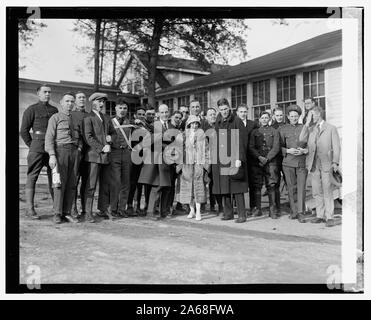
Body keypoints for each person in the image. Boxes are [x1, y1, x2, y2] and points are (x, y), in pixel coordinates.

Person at [20, 84, 58, 219]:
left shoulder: (55, 110)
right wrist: (33, 145)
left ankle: (57, 209)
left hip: (52, 149)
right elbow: (23, 131)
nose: (47, 94)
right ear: (38, 93)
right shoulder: (31, 110)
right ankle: (29, 209)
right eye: (45, 92)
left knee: (54, 177)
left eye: (49, 92)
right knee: (32, 177)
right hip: (37, 148)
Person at [299, 106, 341, 227]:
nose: (309, 118)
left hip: (327, 163)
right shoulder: (311, 129)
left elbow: (337, 147)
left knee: (327, 189)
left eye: (310, 115)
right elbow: (301, 140)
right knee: (316, 191)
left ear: (317, 115)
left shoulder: (331, 128)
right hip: (313, 164)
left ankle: (329, 217)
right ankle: (320, 215)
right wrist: (306, 124)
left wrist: (335, 162)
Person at [45, 92, 82, 224]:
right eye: (67, 101)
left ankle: (67, 212)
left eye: (72, 101)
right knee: (59, 183)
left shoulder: (77, 119)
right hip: (60, 151)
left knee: (72, 184)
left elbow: (80, 136)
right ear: (61, 102)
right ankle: (57, 213)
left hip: (74, 152)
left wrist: (79, 148)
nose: (70, 104)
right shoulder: (55, 117)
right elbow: (49, 137)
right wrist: (52, 155)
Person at [211, 98, 249, 223]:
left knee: (237, 186)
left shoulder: (237, 121)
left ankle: (242, 214)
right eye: (221, 110)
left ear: (229, 107)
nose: (224, 111)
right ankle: (228, 213)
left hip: (234, 158)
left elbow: (242, 141)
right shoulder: (218, 122)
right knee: (224, 186)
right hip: (221, 159)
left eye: (226, 109)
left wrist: (239, 158)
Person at [137, 104, 173, 220]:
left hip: (168, 160)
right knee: (156, 186)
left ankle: (164, 212)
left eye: (166, 112)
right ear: (158, 114)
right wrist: (165, 146)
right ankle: (150, 212)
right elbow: (150, 142)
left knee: (167, 186)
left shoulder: (171, 126)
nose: (164, 114)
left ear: (169, 112)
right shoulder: (153, 126)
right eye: (162, 112)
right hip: (157, 160)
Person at [83, 92, 114, 223]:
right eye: (99, 101)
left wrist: (111, 138)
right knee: (90, 186)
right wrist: (101, 148)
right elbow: (88, 137)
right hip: (93, 157)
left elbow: (114, 133)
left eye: (103, 102)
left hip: (106, 158)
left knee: (105, 185)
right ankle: (87, 212)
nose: (101, 104)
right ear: (92, 102)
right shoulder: (88, 117)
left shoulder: (107, 118)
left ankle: (102, 209)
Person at [176, 115, 210, 221]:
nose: (194, 126)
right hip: (187, 165)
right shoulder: (183, 135)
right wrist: (180, 165)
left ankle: (199, 211)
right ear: (188, 124)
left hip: (198, 164)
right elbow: (178, 150)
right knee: (188, 189)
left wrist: (206, 165)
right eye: (192, 123)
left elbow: (207, 150)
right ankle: (192, 210)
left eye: (196, 123)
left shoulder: (202, 136)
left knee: (198, 188)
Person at [249, 111, 280, 218]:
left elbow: (276, 147)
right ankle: (258, 209)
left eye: (266, 118)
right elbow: (251, 147)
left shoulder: (274, 131)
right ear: (259, 119)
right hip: (257, 162)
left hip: (271, 162)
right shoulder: (255, 132)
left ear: (269, 119)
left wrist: (267, 158)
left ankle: (272, 210)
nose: (264, 120)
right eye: (262, 118)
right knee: (257, 185)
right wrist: (259, 157)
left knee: (271, 185)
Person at [279, 105, 308, 222]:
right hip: (288, 163)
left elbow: (310, 144)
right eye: (291, 116)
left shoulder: (304, 128)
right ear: (288, 117)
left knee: (301, 188)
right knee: (291, 188)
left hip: (301, 162)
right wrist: (287, 150)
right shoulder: (282, 129)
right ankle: (294, 211)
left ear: (299, 116)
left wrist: (305, 150)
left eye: (296, 116)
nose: (294, 118)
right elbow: (278, 147)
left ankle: (301, 212)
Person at [108, 99, 134, 219]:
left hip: (127, 153)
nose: (122, 110)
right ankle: (113, 208)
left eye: (124, 108)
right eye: (120, 108)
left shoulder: (130, 122)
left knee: (126, 182)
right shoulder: (110, 122)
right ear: (115, 109)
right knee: (115, 182)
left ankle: (122, 208)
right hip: (115, 153)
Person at [236, 103, 258, 215]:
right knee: (238, 183)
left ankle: (253, 206)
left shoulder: (253, 124)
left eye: (245, 111)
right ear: (237, 113)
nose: (243, 114)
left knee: (252, 183)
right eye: (241, 111)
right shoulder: (234, 124)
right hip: (238, 158)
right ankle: (238, 208)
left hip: (251, 158)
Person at [70, 91, 89, 219]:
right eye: (79, 97)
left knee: (87, 182)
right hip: (76, 150)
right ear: (75, 100)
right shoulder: (71, 115)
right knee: (74, 180)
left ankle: (85, 209)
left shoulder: (90, 115)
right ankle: (73, 209)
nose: (82, 99)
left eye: (83, 97)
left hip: (89, 153)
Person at [127, 106, 148, 216]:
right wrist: (134, 123)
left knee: (140, 183)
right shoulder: (132, 126)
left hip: (144, 158)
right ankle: (129, 205)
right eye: (139, 114)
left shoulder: (147, 127)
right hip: (133, 158)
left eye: (143, 114)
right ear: (135, 115)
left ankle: (138, 205)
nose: (141, 116)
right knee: (132, 183)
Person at [204, 107, 223, 214]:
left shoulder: (219, 127)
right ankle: (212, 204)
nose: (212, 116)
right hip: (208, 159)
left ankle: (220, 205)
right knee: (211, 182)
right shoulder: (204, 129)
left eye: (214, 114)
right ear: (206, 117)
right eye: (210, 114)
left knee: (218, 182)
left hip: (219, 159)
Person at [271, 107, 286, 214]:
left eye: (281, 115)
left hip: (286, 157)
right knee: (275, 183)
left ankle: (292, 206)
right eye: (277, 115)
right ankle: (277, 207)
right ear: (273, 116)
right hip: (276, 158)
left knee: (289, 182)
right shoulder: (271, 128)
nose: (279, 117)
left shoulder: (287, 126)